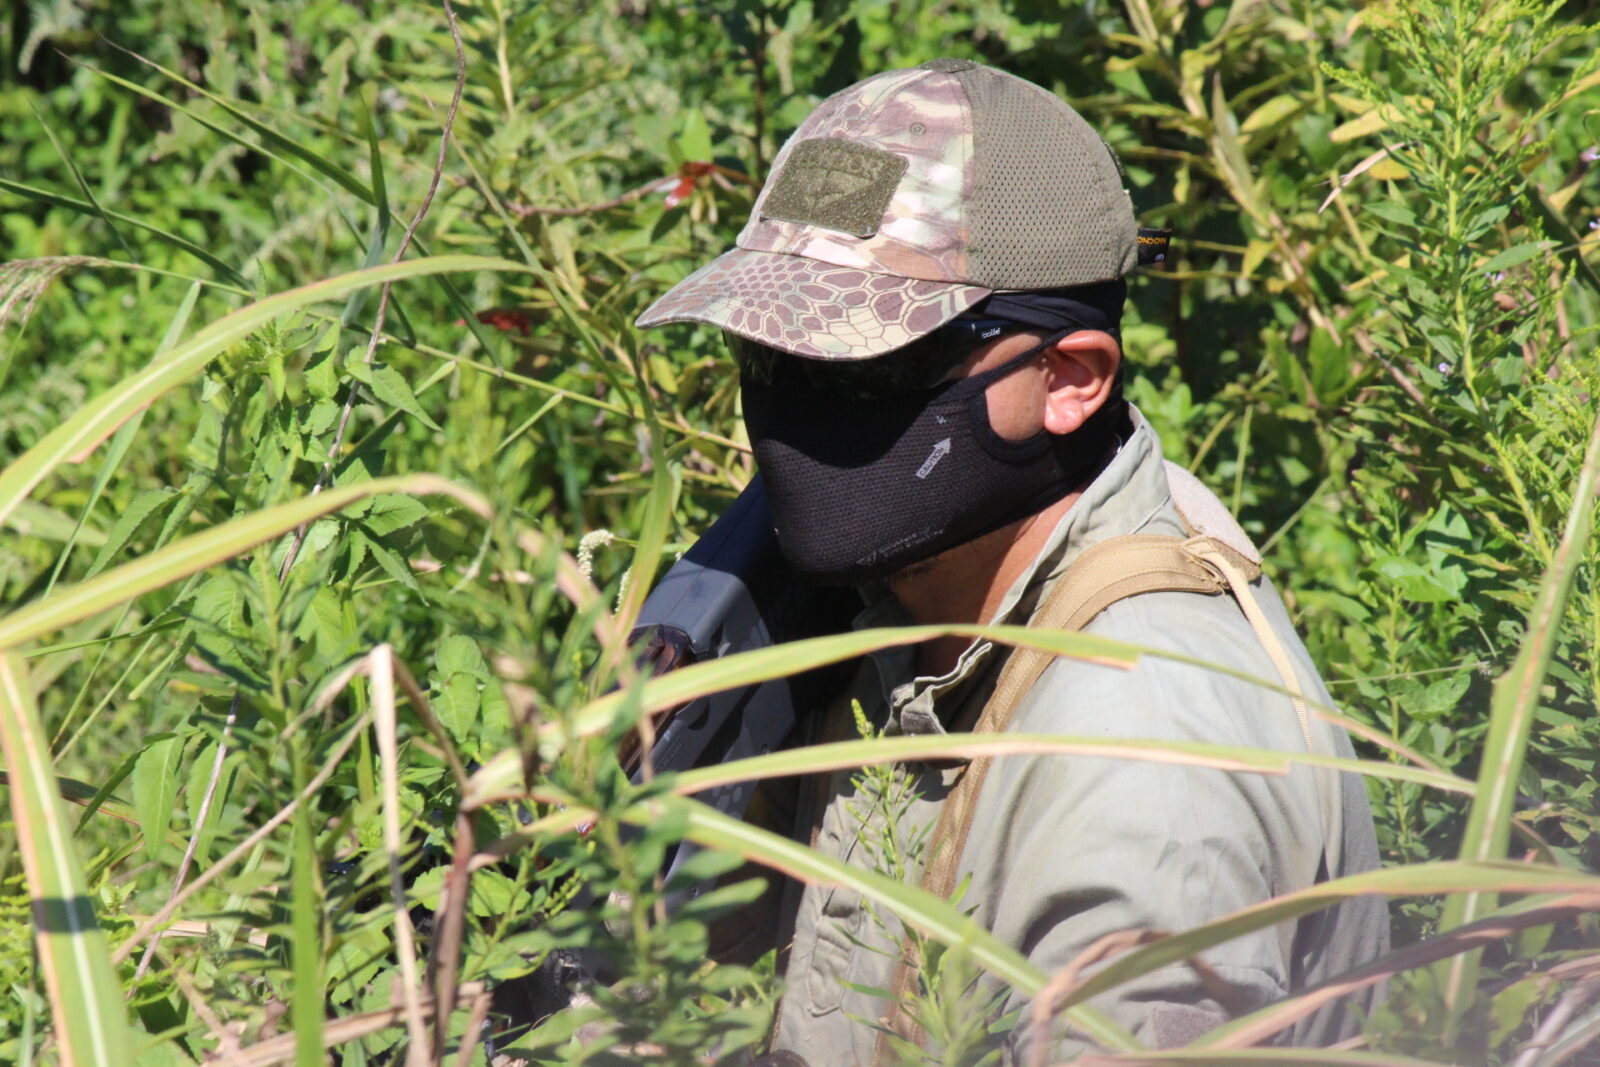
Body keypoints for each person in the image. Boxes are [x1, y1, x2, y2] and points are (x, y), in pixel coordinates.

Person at [635, 58, 1388, 1062]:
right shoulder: (906, 588)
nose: (796, 409)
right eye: (767, 354)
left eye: (867, 365)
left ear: (1069, 378)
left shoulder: (1137, 773)